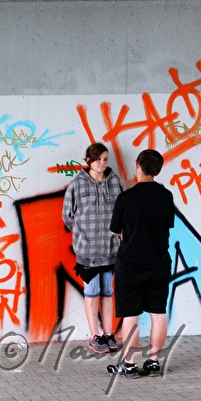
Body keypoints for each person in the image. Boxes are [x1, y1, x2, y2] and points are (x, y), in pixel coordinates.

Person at [107, 149, 175, 378]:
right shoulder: (165, 196)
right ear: (158, 170)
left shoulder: (126, 198)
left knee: (131, 315)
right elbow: (168, 224)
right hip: (159, 263)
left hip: (130, 264)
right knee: (158, 313)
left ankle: (129, 364)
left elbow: (115, 230)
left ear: (137, 165)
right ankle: (154, 362)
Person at [62, 142, 124, 354]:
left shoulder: (115, 182)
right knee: (91, 292)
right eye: (98, 159)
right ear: (88, 160)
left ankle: (108, 333)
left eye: (105, 159)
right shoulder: (77, 184)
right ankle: (94, 335)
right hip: (87, 251)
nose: (102, 163)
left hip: (110, 249)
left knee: (107, 292)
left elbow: (122, 212)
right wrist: (82, 233)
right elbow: (67, 216)